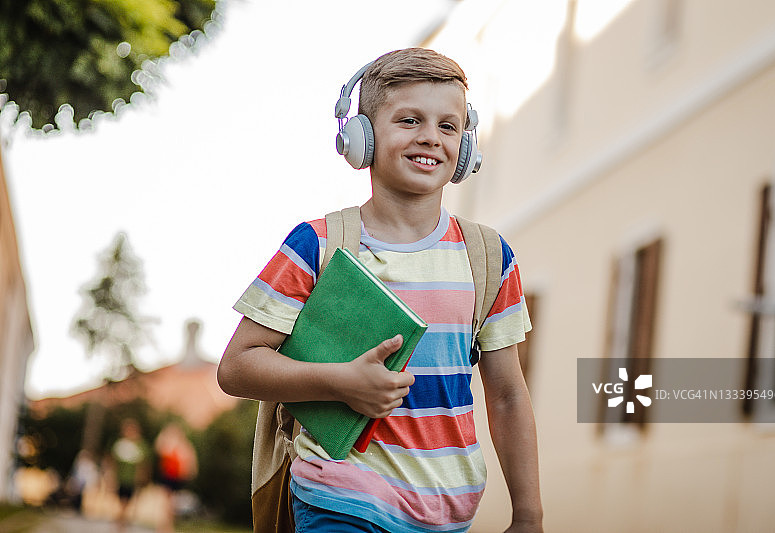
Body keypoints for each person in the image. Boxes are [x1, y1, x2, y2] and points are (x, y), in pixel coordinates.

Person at [218, 48, 544, 532]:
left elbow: (508, 395)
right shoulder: (319, 245)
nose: (430, 137)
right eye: (409, 120)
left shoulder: (490, 258)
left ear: (466, 148)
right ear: (361, 139)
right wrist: (339, 382)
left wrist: (529, 515)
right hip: (339, 494)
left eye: (448, 126)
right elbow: (237, 367)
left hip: (447, 508)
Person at [154, 423, 198, 533]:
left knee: (171, 504)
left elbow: (190, 462)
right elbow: (159, 448)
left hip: (177, 478)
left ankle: (166, 527)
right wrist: (164, 434)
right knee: (167, 503)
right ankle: (165, 527)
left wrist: (189, 473)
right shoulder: (169, 445)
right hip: (168, 477)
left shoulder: (184, 447)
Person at [111, 418, 149, 532]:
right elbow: (113, 463)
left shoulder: (140, 445)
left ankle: (120, 523)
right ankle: (121, 524)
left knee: (126, 504)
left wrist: (142, 479)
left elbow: (143, 464)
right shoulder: (120, 444)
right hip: (121, 478)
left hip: (132, 480)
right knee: (122, 503)